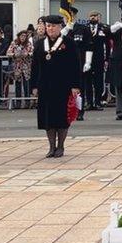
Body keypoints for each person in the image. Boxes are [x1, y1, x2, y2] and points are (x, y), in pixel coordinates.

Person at [31, 15, 80, 157]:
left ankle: (61, 146)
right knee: (48, 118)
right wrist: (34, 86)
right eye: (47, 26)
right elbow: (35, 66)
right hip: (45, 86)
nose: (50, 29)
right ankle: (51, 147)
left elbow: (75, 65)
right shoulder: (40, 44)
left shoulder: (68, 43)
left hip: (63, 86)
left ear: (60, 27)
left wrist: (75, 85)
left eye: (52, 26)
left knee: (62, 118)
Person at [83, 11, 110, 111]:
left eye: (95, 16)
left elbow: (107, 45)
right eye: (91, 16)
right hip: (88, 59)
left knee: (99, 82)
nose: (93, 18)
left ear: (99, 18)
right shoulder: (85, 28)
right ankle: (89, 102)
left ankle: (98, 102)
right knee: (88, 82)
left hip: (99, 59)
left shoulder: (103, 28)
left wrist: (106, 58)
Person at [6, 31, 34, 108]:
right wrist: (14, 55)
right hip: (17, 67)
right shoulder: (14, 43)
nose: (23, 37)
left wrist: (28, 54)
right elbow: (8, 53)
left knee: (26, 85)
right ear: (19, 36)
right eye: (21, 36)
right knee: (18, 85)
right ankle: (18, 103)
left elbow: (32, 52)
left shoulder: (28, 44)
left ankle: (27, 103)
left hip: (26, 67)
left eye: (24, 36)